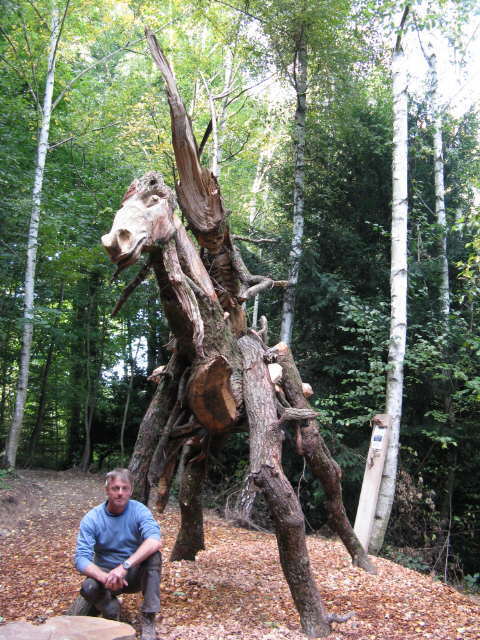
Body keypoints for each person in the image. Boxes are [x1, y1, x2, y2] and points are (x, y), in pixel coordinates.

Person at [74, 468, 161, 640]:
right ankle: (110, 609)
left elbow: (154, 540)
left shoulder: (139, 511)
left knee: (154, 555)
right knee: (88, 587)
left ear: (130, 491)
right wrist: (105, 577)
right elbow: (81, 558)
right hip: (106, 577)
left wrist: (124, 567)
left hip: (133, 574)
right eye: (115, 488)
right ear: (107, 490)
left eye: (124, 488)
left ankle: (149, 617)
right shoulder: (92, 518)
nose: (120, 493)